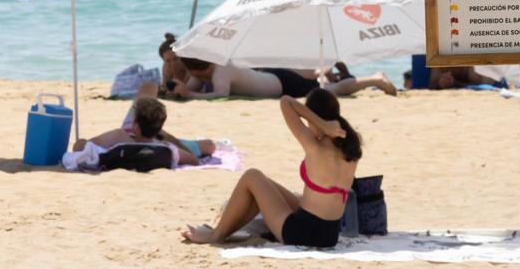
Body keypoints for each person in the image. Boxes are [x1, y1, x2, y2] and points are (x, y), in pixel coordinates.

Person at [182, 89, 360, 248]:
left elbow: (286, 102)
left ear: (313, 117)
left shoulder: (315, 146)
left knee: (252, 176)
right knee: (265, 185)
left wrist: (321, 124)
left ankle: (217, 235)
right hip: (330, 235)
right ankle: (223, 230)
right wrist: (324, 124)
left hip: (302, 233)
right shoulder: (351, 145)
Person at [71, 90, 206, 167]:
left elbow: (78, 147)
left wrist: (81, 141)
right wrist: (167, 137)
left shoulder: (120, 137)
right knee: (209, 145)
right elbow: (194, 160)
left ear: (135, 126)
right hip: (159, 141)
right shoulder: (167, 149)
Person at [175, 58, 396, 99]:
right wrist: (179, 92)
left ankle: (375, 78)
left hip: (282, 85)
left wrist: (190, 94)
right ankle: (321, 72)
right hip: (273, 79)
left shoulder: (221, 69)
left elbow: (219, 94)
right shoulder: (206, 70)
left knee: (331, 92)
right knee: (325, 87)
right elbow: (192, 88)